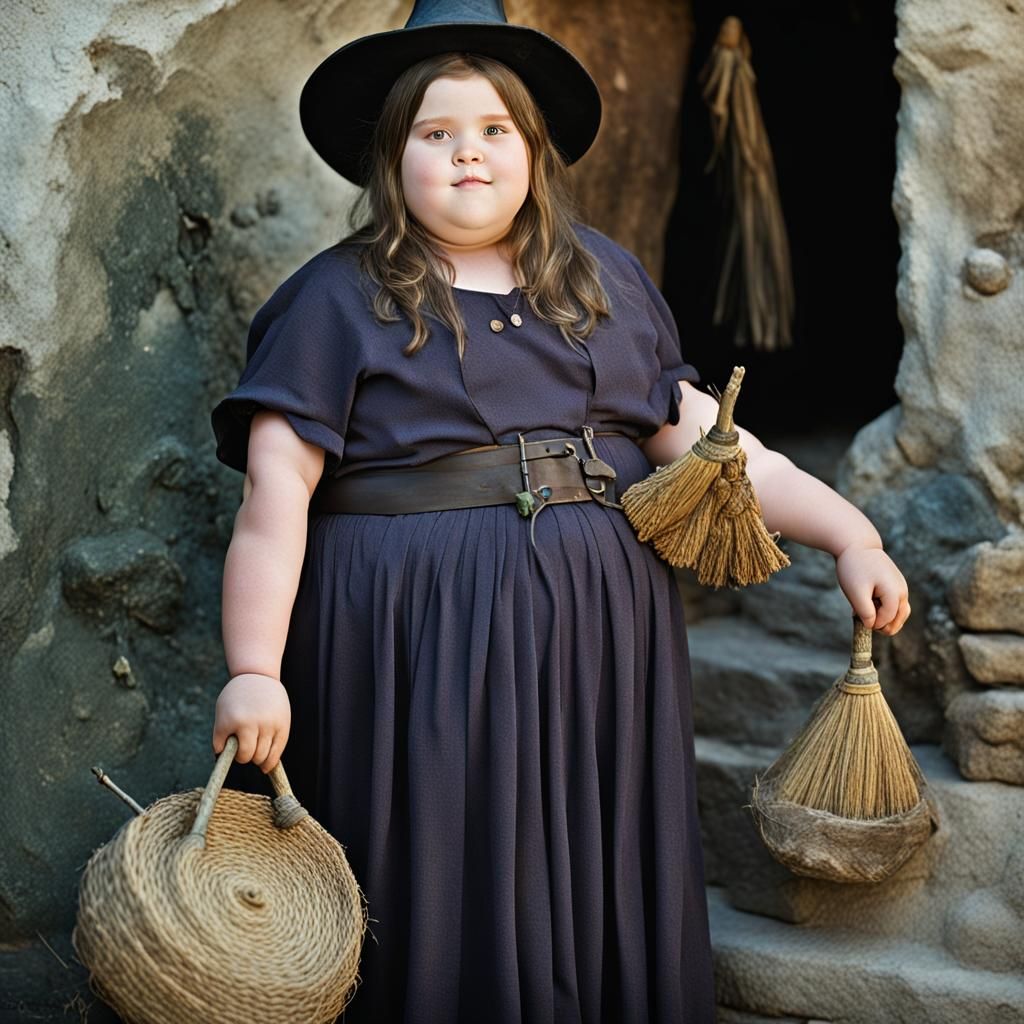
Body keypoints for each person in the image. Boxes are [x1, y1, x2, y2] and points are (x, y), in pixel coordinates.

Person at [209, 2, 911, 1021]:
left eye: (495, 130)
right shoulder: (332, 300)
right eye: (434, 133)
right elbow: (275, 504)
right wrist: (253, 671)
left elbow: (711, 447)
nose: (467, 155)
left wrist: (852, 532)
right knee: (444, 863)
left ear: (534, 150)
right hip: (419, 640)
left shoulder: (605, 282)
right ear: (387, 157)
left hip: (597, 641)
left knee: (589, 861)